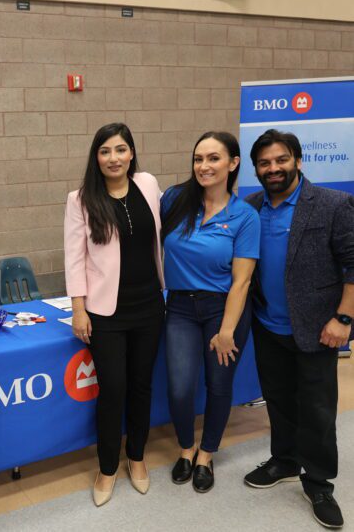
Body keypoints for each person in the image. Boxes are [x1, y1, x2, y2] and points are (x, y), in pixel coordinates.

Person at [243, 129, 354, 529]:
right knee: (279, 400)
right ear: (256, 168)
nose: (273, 168)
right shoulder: (251, 207)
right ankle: (285, 460)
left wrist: (343, 319)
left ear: (298, 161)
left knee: (318, 408)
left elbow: (352, 264)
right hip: (267, 325)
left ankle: (319, 481)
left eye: (280, 160)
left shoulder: (331, 204)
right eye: (265, 163)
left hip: (318, 329)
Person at [64, 123, 165, 505]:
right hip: (106, 312)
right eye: (105, 151)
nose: (113, 158)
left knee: (142, 386)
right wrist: (78, 310)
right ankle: (107, 467)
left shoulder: (148, 184)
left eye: (120, 149)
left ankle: (136, 458)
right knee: (113, 391)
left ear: (132, 153)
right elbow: (74, 259)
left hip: (151, 305)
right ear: (96, 157)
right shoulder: (81, 199)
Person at [161, 131, 259, 493]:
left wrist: (228, 330)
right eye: (198, 158)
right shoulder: (174, 200)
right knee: (180, 387)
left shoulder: (244, 216)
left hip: (224, 308)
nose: (204, 166)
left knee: (219, 385)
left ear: (233, 163)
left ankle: (206, 454)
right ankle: (186, 448)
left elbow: (242, 281)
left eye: (213, 158)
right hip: (181, 307)